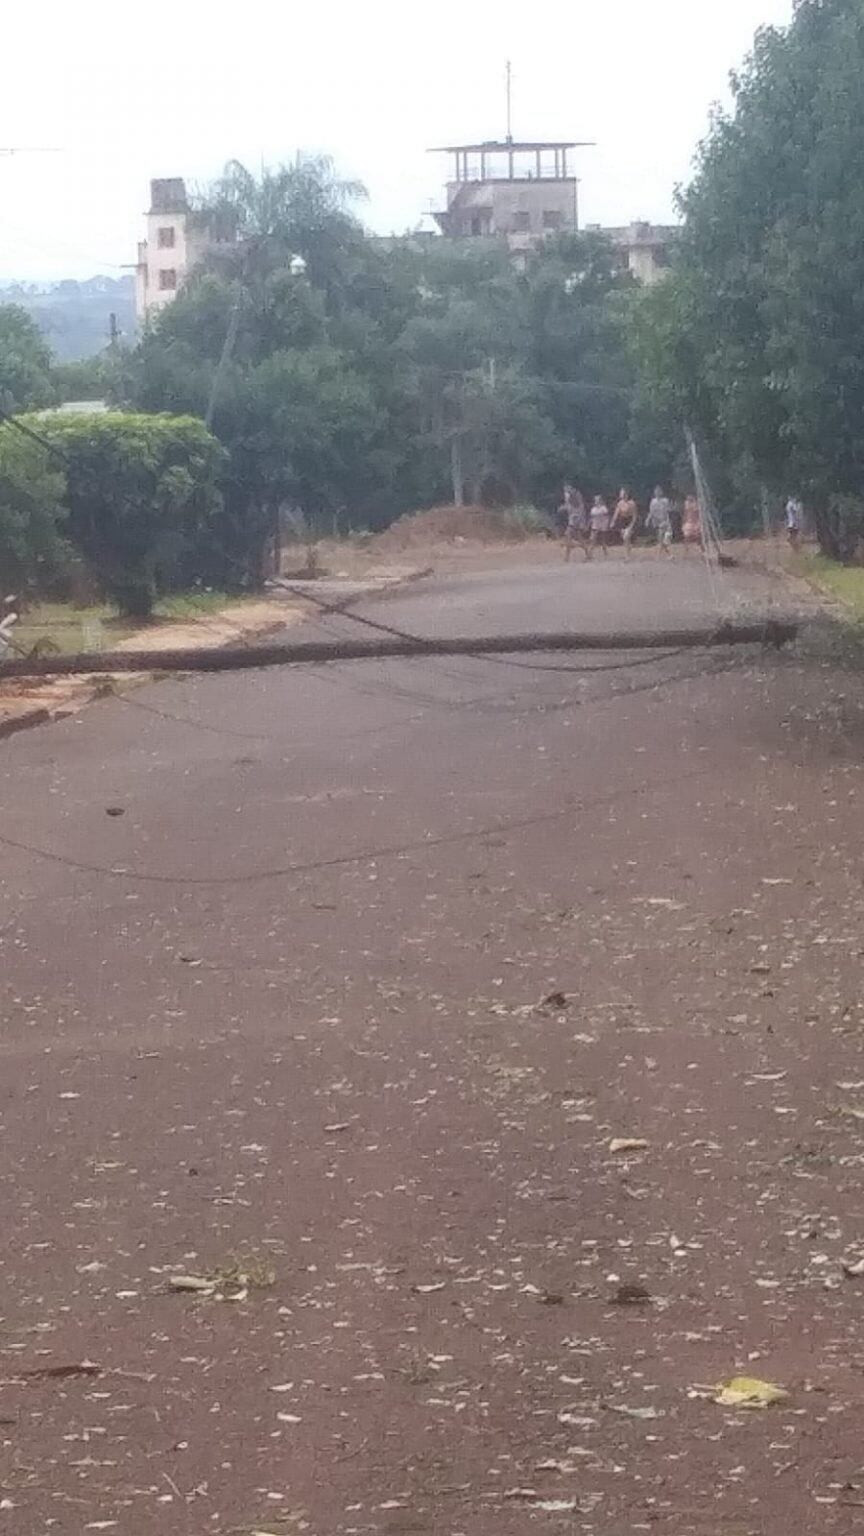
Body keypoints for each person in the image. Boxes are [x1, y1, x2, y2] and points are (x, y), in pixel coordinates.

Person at [563, 488, 589, 562]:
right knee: (576, 539)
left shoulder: (577, 506)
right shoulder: (571, 505)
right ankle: (586, 553)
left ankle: (568, 555)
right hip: (572, 524)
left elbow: (579, 515)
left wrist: (580, 523)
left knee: (570, 538)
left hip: (574, 524)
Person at [647, 486, 673, 556]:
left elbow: (669, 510)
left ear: (661, 492)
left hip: (666, 521)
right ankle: (666, 554)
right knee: (660, 539)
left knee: (666, 538)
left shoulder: (665, 500)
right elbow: (651, 512)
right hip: (658, 522)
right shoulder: (653, 501)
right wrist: (648, 519)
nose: (657, 493)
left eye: (659, 491)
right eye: (656, 491)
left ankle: (664, 554)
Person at [612, 488, 639, 556]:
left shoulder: (632, 503)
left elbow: (634, 516)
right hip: (622, 522)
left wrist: (631, 526)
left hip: (629, 521)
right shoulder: (620, 503)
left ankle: (627, 556)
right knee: (624, 538)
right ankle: (628, 548)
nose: (621, 494)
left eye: (622, 493)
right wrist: (613, 521)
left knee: (626, 537)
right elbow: (616, 513)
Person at [589, 493, 611, 558]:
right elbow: (592, 518)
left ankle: (605, 553)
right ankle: (590, 554)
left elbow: (607, 517)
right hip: (595, 526)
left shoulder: (603, 508)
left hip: (602, 526)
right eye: (595, 500)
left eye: (597, 500)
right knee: (593, 540)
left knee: (603, 541)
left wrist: (606, 525)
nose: (596, 501)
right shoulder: (593, 509)